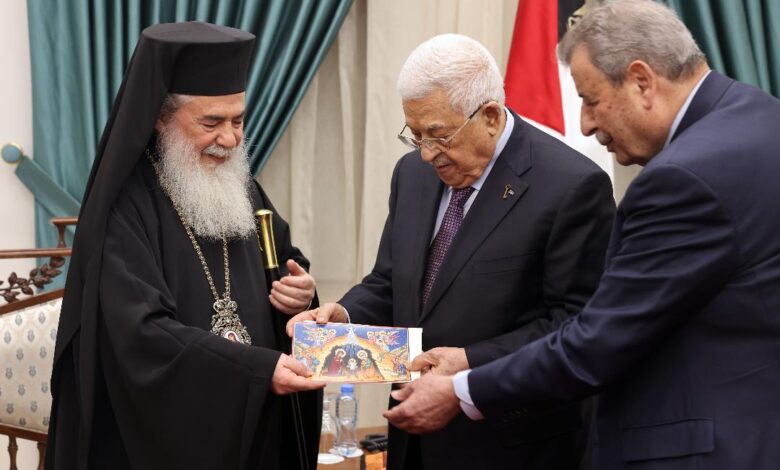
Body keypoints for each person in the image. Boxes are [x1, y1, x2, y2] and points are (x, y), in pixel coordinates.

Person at [383, 1, 780, 469]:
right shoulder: (761, 116)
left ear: (641, 81)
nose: (587, 125)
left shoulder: (679, 179)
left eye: (590, 100)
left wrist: (463, 388)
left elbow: (598, 340)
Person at [288, 33, 615, 470]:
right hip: (413, 440)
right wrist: (343, 315)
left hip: (510, 446)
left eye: (439, 136)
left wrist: (469, 363)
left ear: (491, 117)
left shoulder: (571, 187)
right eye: (415, 135)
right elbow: (391, 281)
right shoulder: (412, 175)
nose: (426, 154)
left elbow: (577, 324)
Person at [46, 22, 324, 470]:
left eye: (238, 121)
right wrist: (252, 370)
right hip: (165, 437)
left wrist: (301, 292)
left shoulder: (241, 188)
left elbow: (284, 261)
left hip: (254, 425)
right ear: (160, 117)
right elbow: (140, 333)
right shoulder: (124, 207)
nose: (230, 139)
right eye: (211, 123)